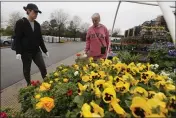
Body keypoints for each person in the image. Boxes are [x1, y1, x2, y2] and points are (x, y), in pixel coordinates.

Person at [15, 3, 49, 86]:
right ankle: (29, 84)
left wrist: (45, 50)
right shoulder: (21, 22)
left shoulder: (37, 24)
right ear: (28, 11)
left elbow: (40, 39)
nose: (36, 14)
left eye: (37, 13)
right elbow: (18, 38)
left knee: (43, 68)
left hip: (36, 51)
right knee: (27, 70)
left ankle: (47, 83)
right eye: (35, 12)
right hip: (25, 52)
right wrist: (18, 52)